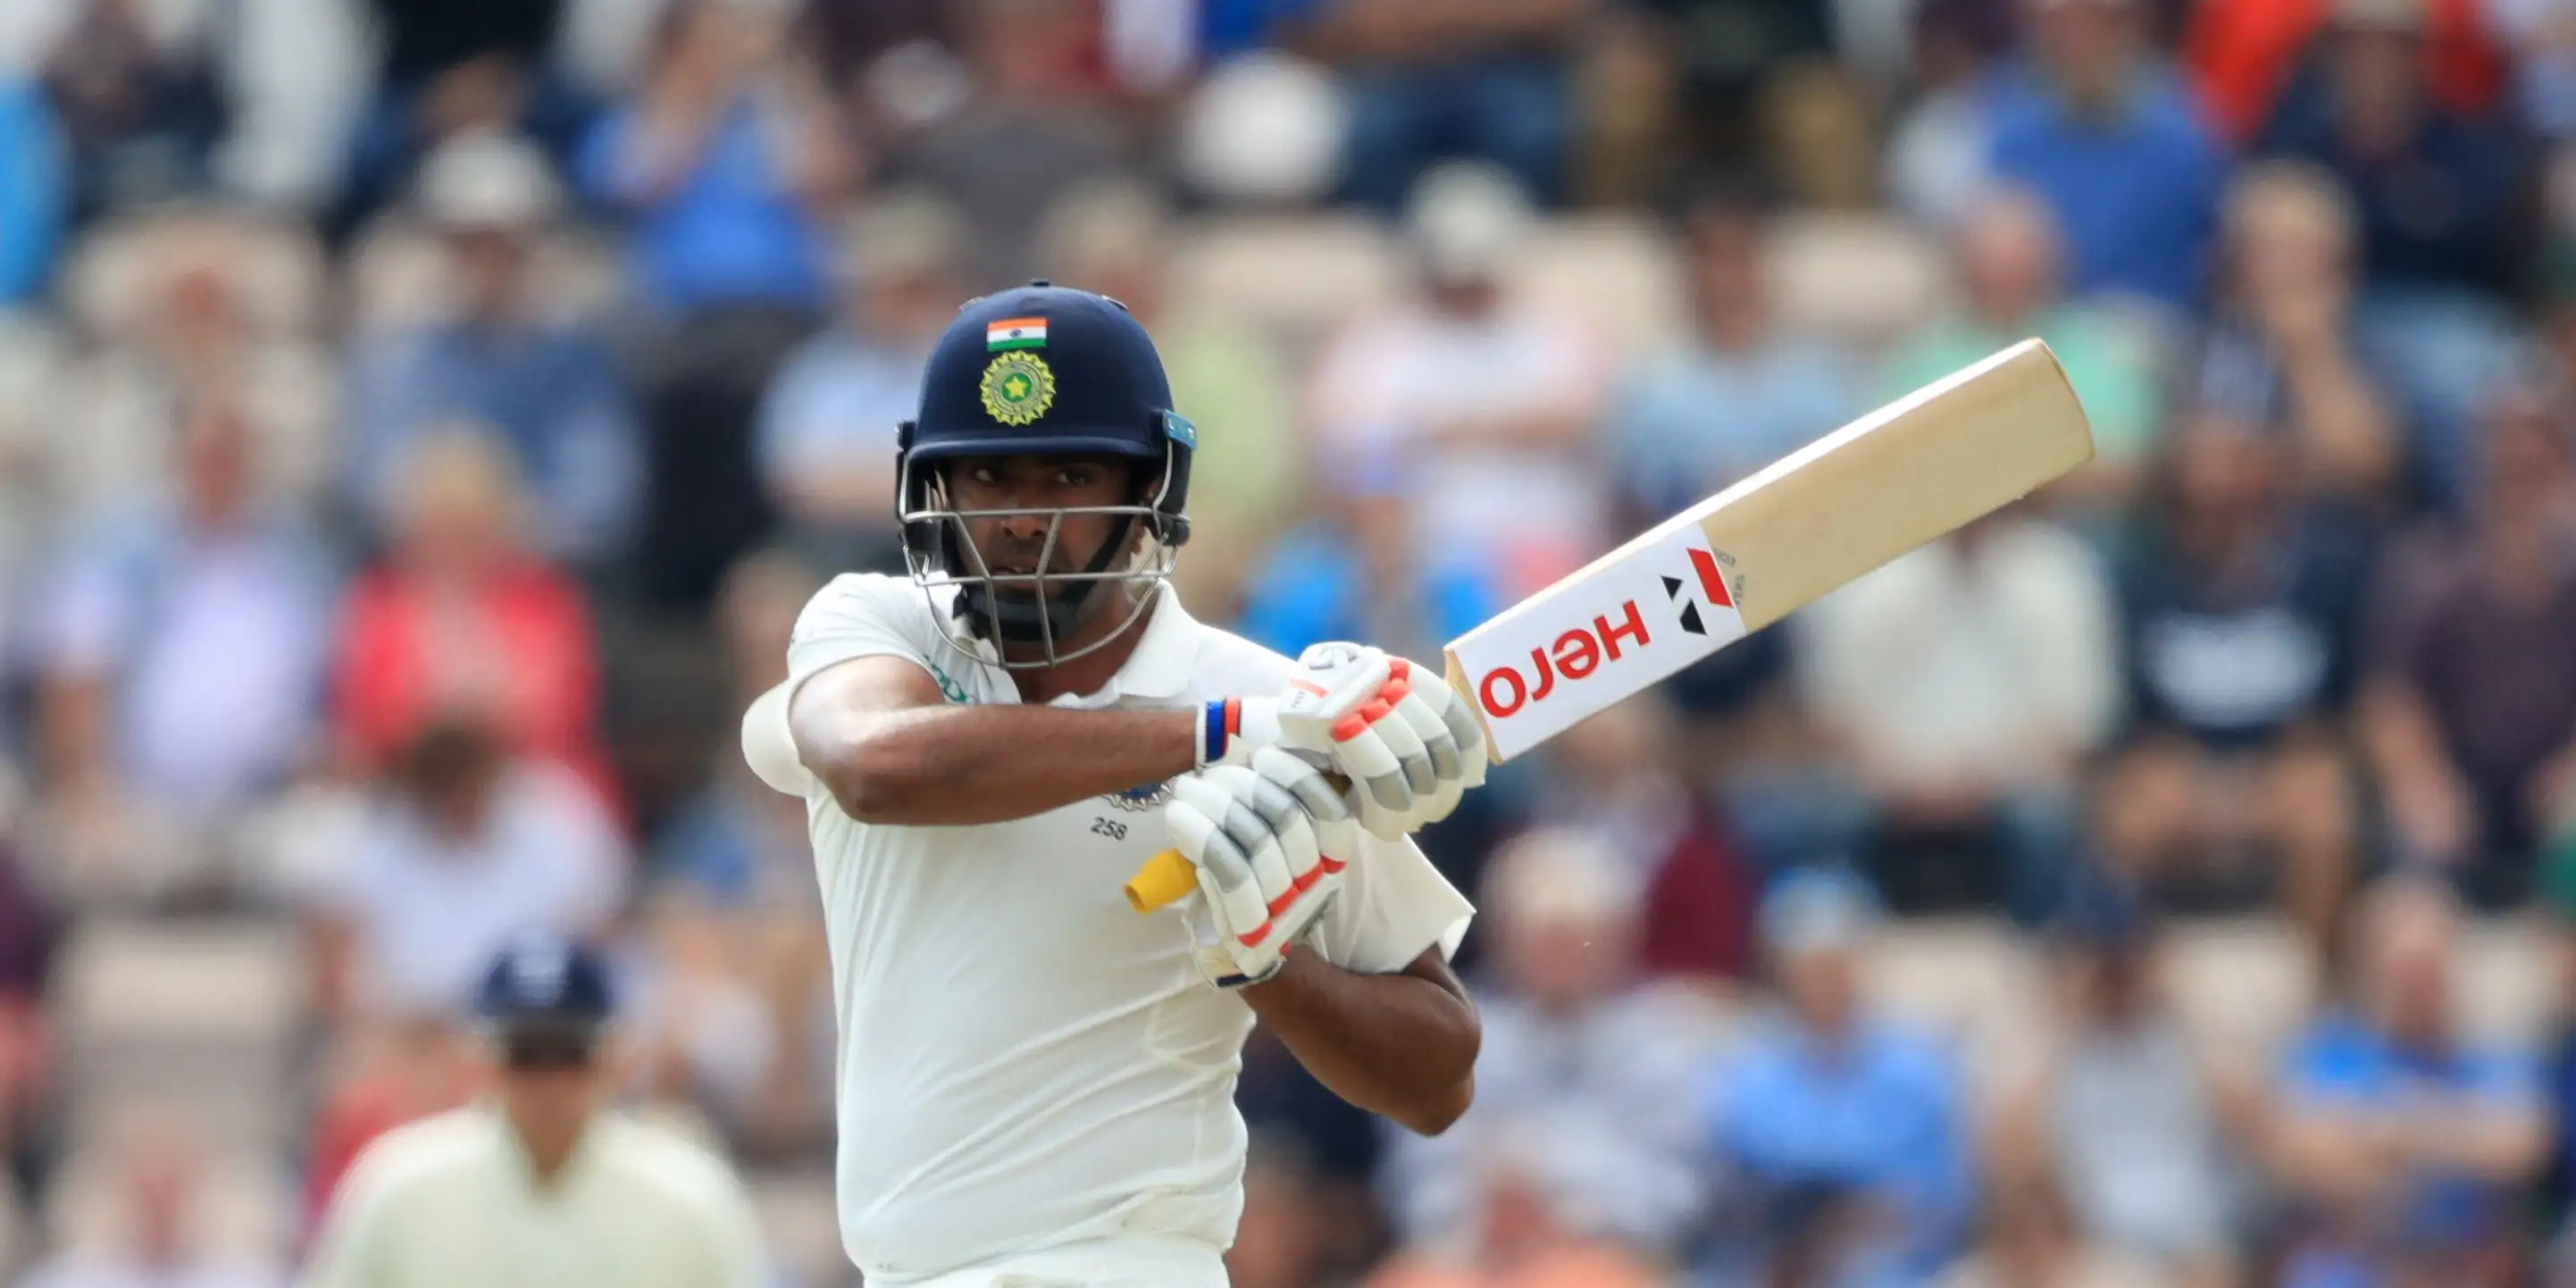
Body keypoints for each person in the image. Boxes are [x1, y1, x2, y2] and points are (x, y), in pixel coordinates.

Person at [740, 281, 1486, 1286]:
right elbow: (873, 765)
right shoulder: (880, 626)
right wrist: (1226, 733)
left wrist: (1271, 964)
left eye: (1070, 474)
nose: (1024, 519)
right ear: (935, 488)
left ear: (1150, 490)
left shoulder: (1273, 702)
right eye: (989, 476)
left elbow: (1439, 1080)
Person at [302, 937, 768, 1288]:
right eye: (524, 1055)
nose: (548, 1082)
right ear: (480, 1059)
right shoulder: (399, 1187)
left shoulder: (688, 1198)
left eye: (569, 1055)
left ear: (615, 1059)